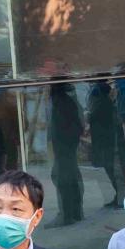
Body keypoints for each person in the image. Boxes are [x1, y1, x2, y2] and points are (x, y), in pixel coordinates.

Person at [48, 82, 85, 226]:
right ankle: (75, 212)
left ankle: (67, 215)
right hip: (67, 148)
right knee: (70, 178)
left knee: (64, 180)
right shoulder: (67, 101)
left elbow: (63, 128)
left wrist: (65, 146)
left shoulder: (60, 103)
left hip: (64, 148)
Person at [87, 80, 125, 207]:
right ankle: (118, 197)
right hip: (107, 143)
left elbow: (93, 120)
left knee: (114, 171)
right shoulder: (106, 104)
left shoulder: (102, 105)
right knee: (111, 170)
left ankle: (121, 199)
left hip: (109, 144)